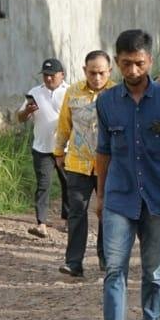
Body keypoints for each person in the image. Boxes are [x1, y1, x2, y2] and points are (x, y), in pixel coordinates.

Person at [90, 29, 160, 320]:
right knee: (114, 268)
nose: (132, 71)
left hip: (159, 198)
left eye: (138, 63)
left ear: (150, 60)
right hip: (119, 197)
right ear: (117, 62)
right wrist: (101, 194)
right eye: (125, 64)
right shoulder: (105, 102)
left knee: (153, 269)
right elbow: (103, 151)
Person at [54, 50, 113, 277]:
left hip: (109, 164)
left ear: (109, 71)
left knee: (107, 211)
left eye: (101, 73)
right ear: (84, 71)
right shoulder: (73, 92)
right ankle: (74, 262)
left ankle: (106, 258)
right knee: (77, 212)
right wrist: (58, 151)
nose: (97, 78)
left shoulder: (117, 93)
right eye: (92, 73)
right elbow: (64, 125)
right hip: (78, 163)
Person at [18, 58, 72, 238]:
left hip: (66, 148)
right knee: (43, 185)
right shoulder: (35, 92)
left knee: (68, 185)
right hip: (41, 148)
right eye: (45, 75)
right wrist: (27, 111)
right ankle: (41, 224)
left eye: (52, 75)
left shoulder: (71, 92)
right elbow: (20, 118)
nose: (48, 79)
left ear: (61, 75)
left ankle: (67, 221)